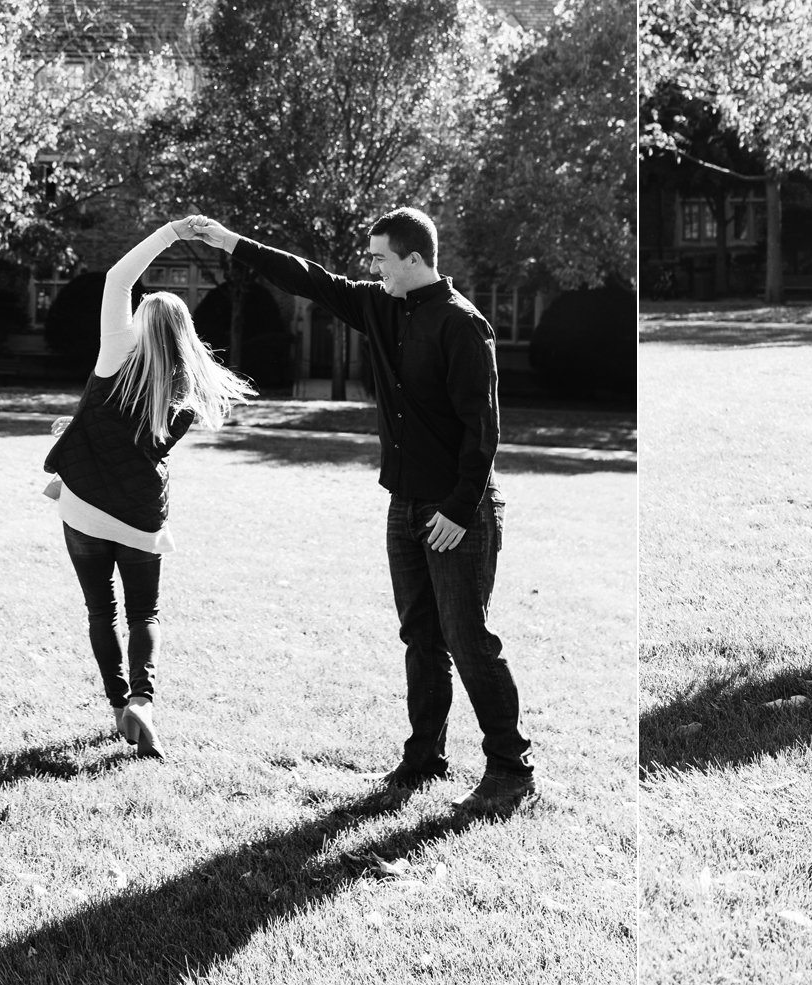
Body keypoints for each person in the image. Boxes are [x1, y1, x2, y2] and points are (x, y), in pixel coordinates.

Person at [184, 208, 535, 817]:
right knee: (420, 637)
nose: (369, 268)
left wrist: (457, 508)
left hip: (460, 511)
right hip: (405, 505)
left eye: (379, 258)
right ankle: (424, 757)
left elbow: (484, 432)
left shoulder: (463, 326)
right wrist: (229, 241)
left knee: (467, 638)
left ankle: (511, 768)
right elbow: (308, 278)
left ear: (414, 260)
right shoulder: (380, 306)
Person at [43, 218, 255, 757]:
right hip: (139, 514)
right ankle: (143, 699)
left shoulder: (116, 352)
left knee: (101, 613)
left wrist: (171, 232)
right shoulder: (185, 387)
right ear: (184, 336)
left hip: (85, 507)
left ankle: (118, 707)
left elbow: (118, 278)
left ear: (139, 322)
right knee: (145, 616)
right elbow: (138, 441)